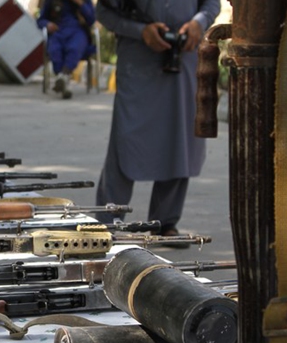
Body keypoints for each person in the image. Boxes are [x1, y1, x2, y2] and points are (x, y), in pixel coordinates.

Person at [93, 0, 220, 246]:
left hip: (184, 56)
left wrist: (198, 23)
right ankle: (108, 220)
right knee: (127, 137)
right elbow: (104, 11)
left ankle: (164, 223)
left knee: (180, 136)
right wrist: (139, 30)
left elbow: (211, 4)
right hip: (139, 58)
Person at [37, 0, 96, 99]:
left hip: (78, 31)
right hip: (58, 31)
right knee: (54, 50)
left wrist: (80, 4)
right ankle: (63, 80)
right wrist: (47, 24)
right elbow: (40, 20)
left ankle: (64, 76)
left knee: (74, 48)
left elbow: (91, 20)